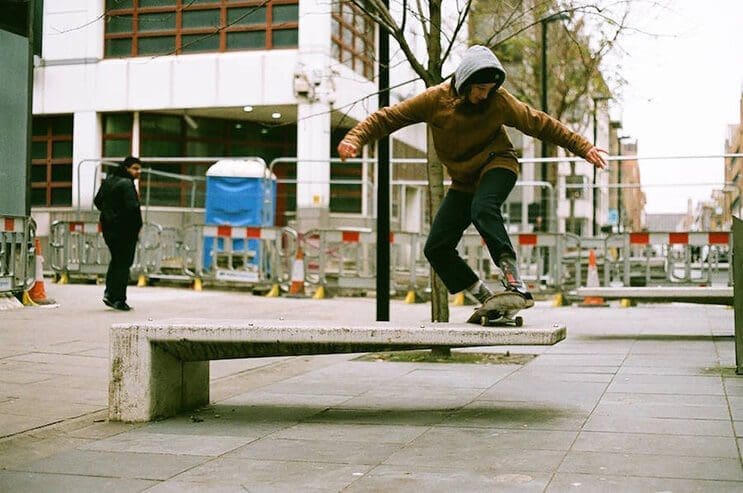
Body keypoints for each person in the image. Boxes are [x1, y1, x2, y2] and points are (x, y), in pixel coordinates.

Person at [337, 45, 607, 316]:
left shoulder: (499, 101)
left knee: (483, 207)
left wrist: (583, 147)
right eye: (479, 89)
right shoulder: (434, 100)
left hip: (498, 163)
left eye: (489, 88)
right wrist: (354, 138)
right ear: (464, 81)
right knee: (437, 247)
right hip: (464, 180)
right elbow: (388, 117)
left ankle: (513, 278)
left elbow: (541, 123)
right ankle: (485, 297)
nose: (484, 95)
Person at [94, 156, 143, 311]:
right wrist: (136, 226)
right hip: (125, 231)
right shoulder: (127, 184)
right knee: (123, 264)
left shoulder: (109, 181)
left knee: (116, 261)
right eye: (135, 168)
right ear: (126, 168)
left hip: (109, 229)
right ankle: (119, 299)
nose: (138, 172)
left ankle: (109, 293)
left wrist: (109, 214)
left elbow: (97, 201)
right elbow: (132, 208)